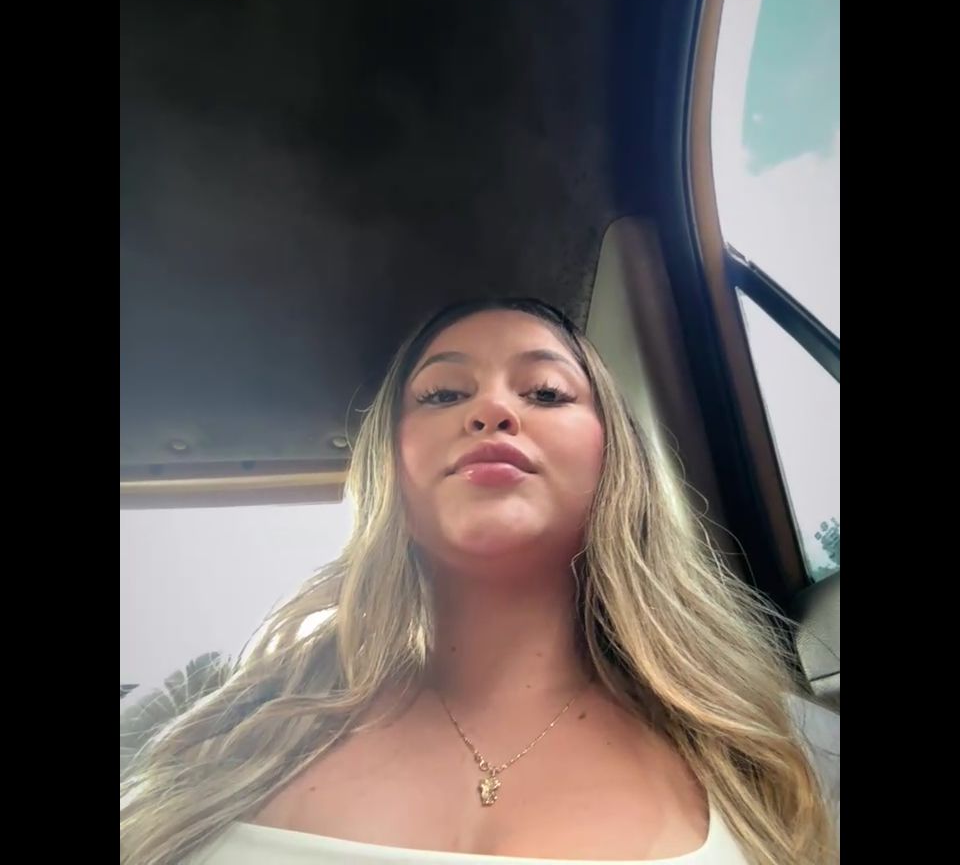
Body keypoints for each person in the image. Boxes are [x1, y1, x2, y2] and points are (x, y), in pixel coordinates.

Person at [120, 298, 838, 865]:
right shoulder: (230, 741)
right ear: (388, 467)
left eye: (547, 392)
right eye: (440, 394)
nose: (491, 410)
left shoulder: (777, 756)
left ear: (615, 460)